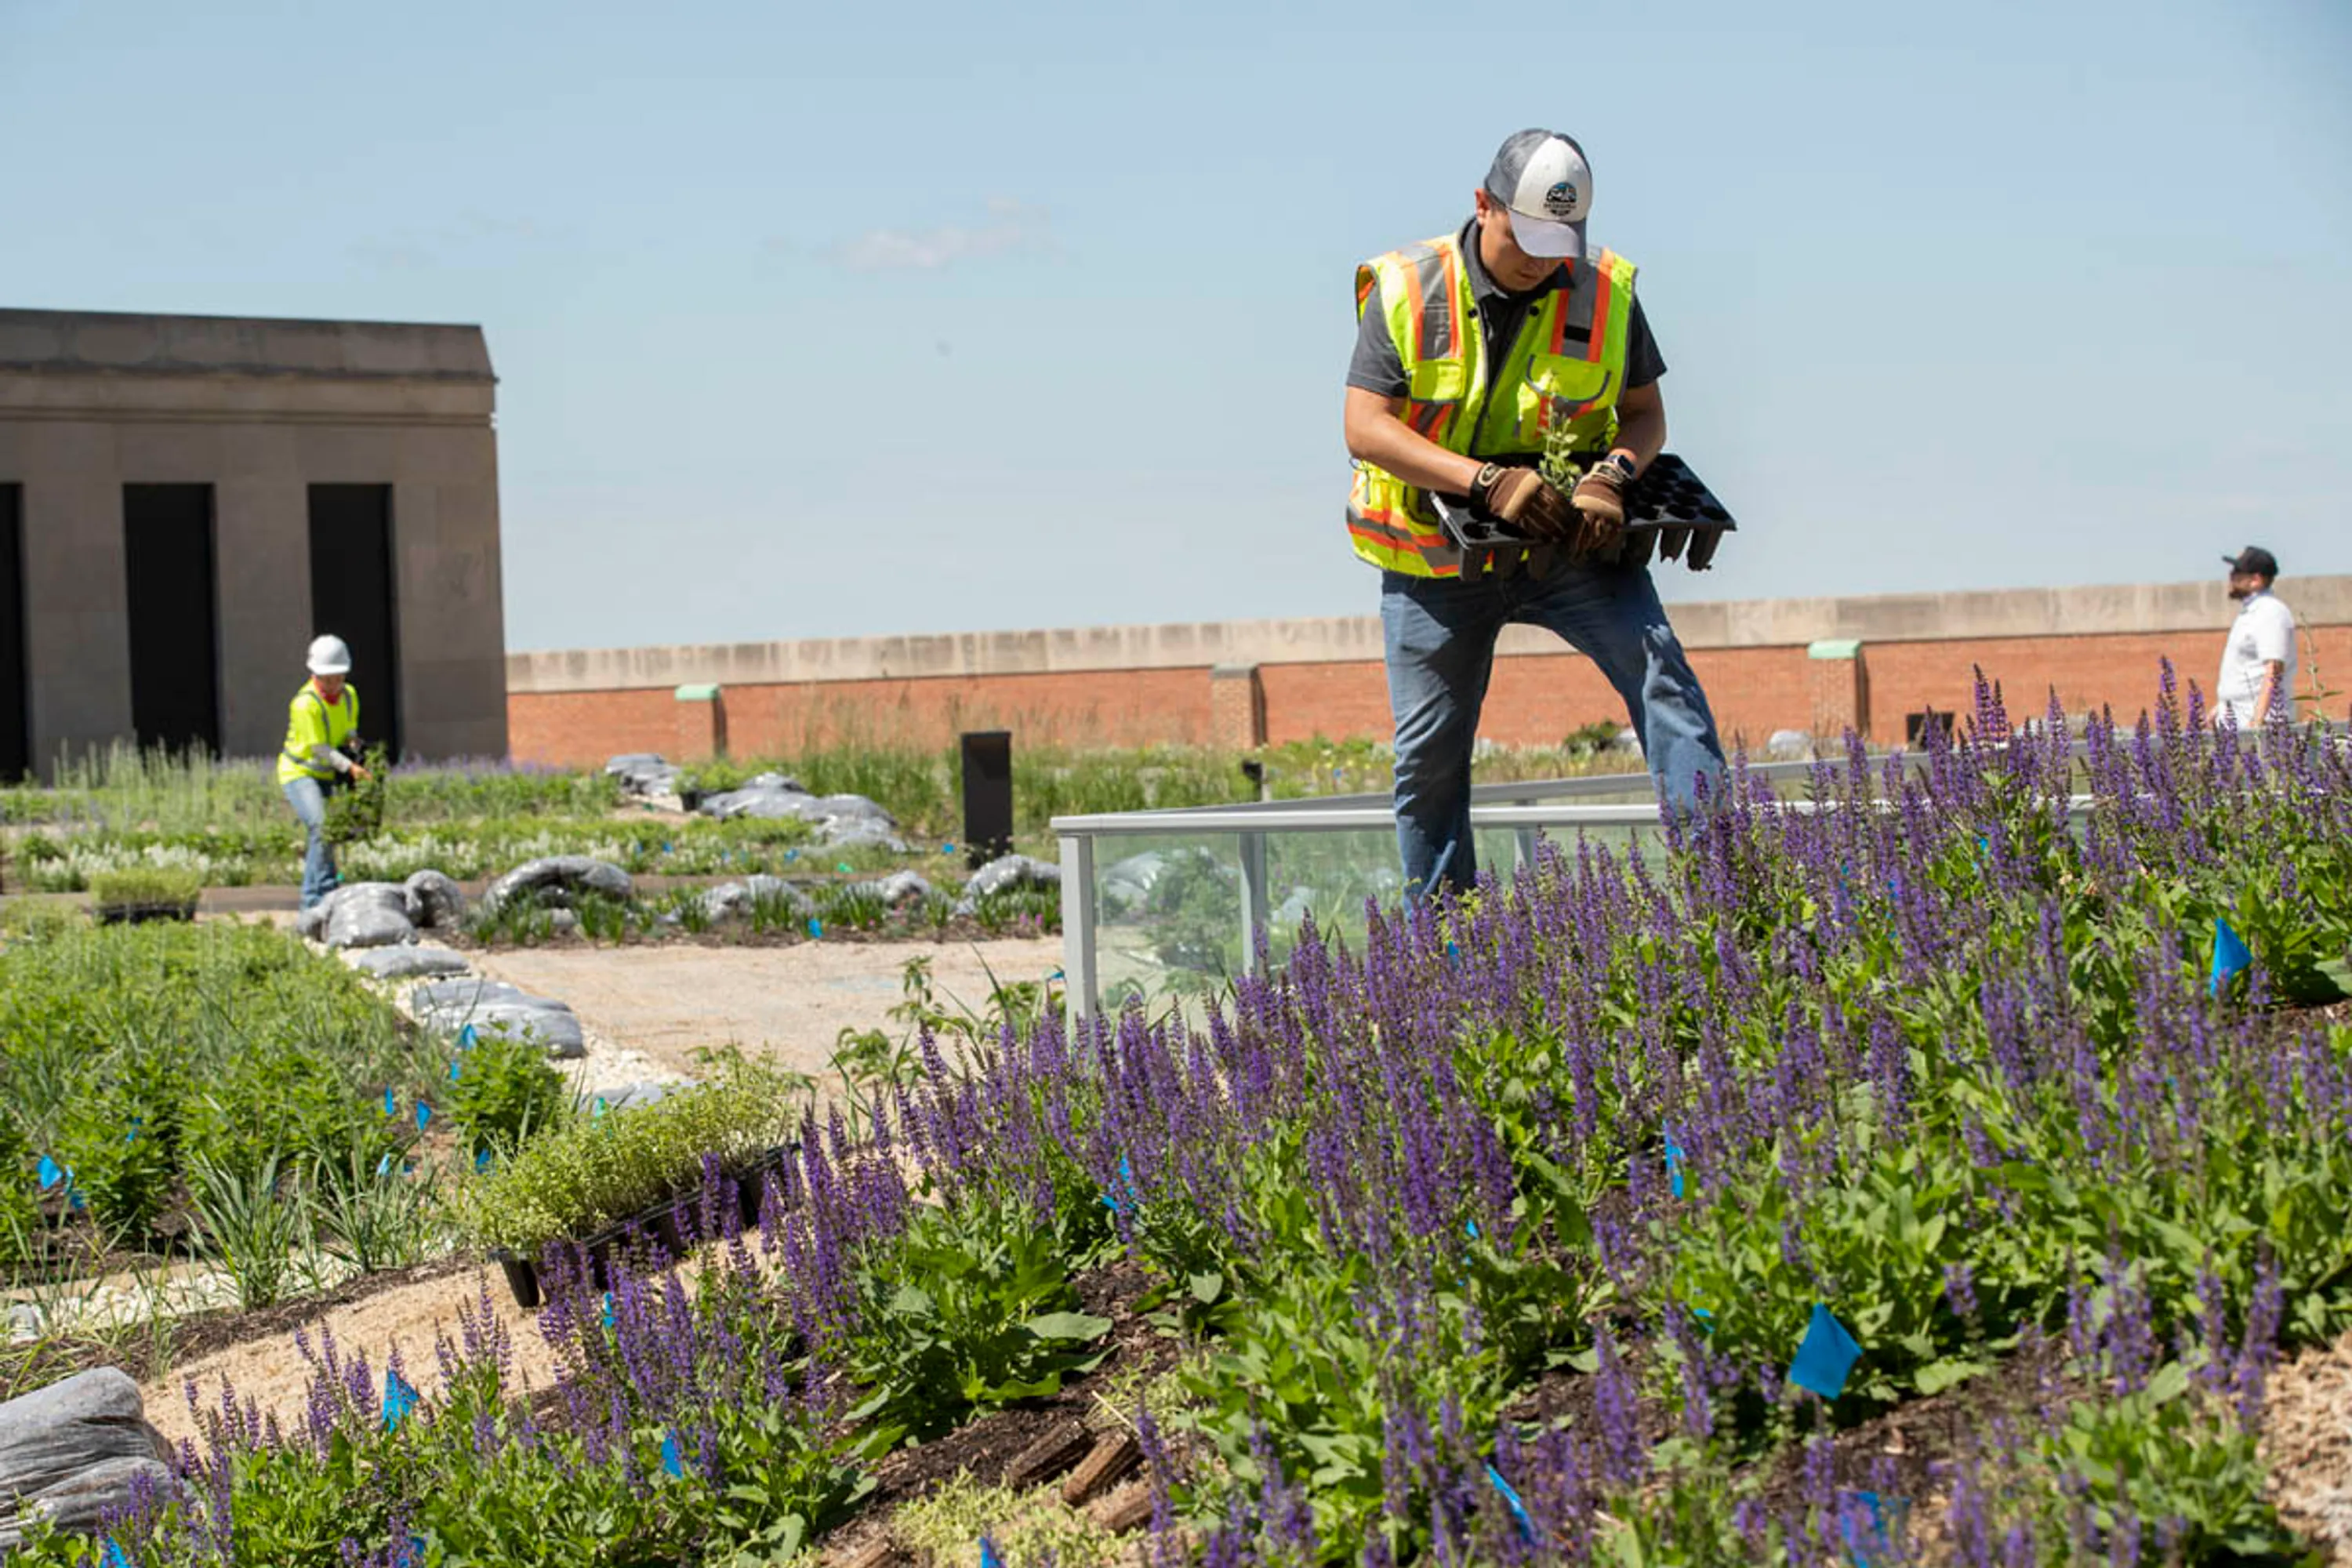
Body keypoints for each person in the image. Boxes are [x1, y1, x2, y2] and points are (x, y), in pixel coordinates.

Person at [1343, 128, 1726, 898]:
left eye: (1561, 241)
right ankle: (1447, 952)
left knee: (1663, 679)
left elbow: (1645, 415)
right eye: (1528, 237)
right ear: (1484, 205)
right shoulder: (1410, 287)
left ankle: (1729, 892)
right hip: (1438, 560)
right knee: (1430, 757)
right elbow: (1366, 426)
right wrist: (1483, 481)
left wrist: (1613, 477)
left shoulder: (1605, 289)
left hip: (1569, 549)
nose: (1546, 260)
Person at [278, 634, 369, 911]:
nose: (332, 685)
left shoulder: (350, 697)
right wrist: (351, 767)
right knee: (321, 827)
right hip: (299, 773)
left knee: (330, 832)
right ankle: (312, 901)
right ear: (313, 674)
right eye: (326, 679)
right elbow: (319, 749)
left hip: (327, 775)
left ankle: (329, 892)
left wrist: (356, 746)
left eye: (337, 678)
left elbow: (348, 731)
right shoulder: (305, 704)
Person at [2216, 546, 2297, 731]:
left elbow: (2274, 668)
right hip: (2237, 721)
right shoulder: (2251, 612)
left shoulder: (2270, 612)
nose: (2231, 576)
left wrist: (2258, 722)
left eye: (2238, 571)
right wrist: (2221, 708)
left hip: (2260, 726)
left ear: (2256, 580)